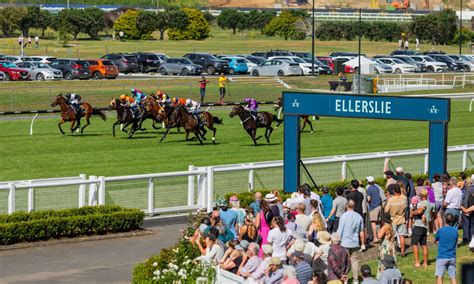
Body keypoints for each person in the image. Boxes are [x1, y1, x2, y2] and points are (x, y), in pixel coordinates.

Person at [337, 200, 364, 284]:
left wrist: (336, 241)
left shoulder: (343, 216)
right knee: (354, 261)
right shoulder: (359, 216)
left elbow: (340, 230)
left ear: (346, 206)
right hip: (355, 242)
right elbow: (361, 231)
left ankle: (345, 280)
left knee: (344, 261)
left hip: (345, 243)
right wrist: (362, 243)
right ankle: (355, 280)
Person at [384, 183, 407, 257]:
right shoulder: (404, 198)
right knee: (401, 236)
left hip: (393, 219)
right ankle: (403, 252)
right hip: (401, 218)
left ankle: (391, 252)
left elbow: (386, 210)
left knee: (391, 237)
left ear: (394, 191)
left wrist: (387, 199)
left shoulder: (391, 200)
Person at [435, 213, 459, 284]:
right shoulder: (455, 231)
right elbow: (455, 241)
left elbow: (435, 240)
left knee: (439, 276)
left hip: (442, 256)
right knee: (453, 277)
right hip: (452, 257)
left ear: (444, 219)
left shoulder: (441, 230)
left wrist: (437, 243)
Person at [411, 189, 431, 268]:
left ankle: (417, 262)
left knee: (414, 244)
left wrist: (412, 212)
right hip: (425, 226)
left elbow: (419, 212)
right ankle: (425, 263)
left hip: (418, 225)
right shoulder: (429, 203)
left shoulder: (423, 203)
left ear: (421, 196)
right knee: (424, 244)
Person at [376, 213, 397, 279]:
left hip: (385, 246)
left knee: (384, 261)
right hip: (390, 245)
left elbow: (379, 236)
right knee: (390, 260)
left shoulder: (385, 226)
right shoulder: (391, 225)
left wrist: (378, 230)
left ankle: (383, 277)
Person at [366, 176, 383, 243]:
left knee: (373, 222)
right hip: (379, 206)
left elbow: (369, 199)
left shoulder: (369, 189)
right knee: (378, 222)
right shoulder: (376, 187)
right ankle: (379, 236)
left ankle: (375, 238)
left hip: (373, 207)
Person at [461, 175, 474, 244]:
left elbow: (465, 200)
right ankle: (471, 238)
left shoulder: (468, 189)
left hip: (467, 209)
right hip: (473, 209)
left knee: (466, 224)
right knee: (472, 225)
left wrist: (465, 210)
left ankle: (466, 238)